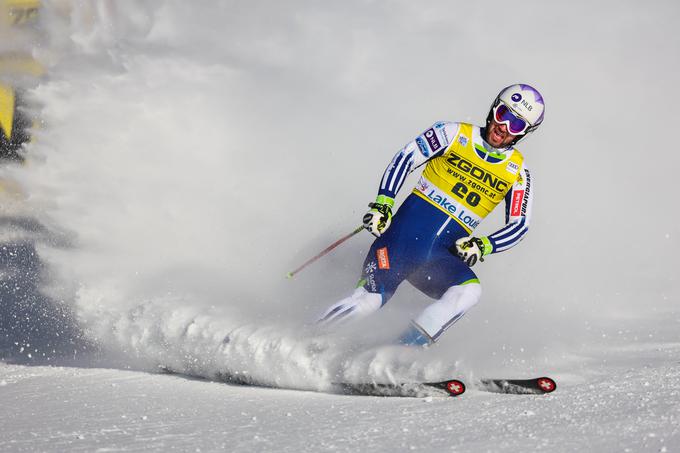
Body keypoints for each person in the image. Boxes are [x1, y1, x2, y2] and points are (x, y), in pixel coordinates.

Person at [318, 84, 545, 346]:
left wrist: (483, 245)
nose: (504, 126)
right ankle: (299, 340)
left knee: (469, 291)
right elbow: (405, 159)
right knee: (367, 301)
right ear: (494, 108)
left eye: (516, 125)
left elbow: (519, 226)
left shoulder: (517, 172)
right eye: (503, 114)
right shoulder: (452, 133)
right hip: (399, 243)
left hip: (436, 260)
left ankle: (401, 352)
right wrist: (383, 204)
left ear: (524, 133)